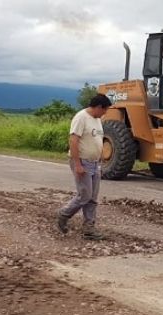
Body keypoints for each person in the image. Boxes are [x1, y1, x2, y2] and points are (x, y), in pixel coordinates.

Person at [56, 93, 112, 240]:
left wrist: (99, 159)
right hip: (83, 162)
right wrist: (77, 164)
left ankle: (89, 228)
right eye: (104, 109)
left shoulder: (97, 120)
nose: (105, 113)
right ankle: (64, 214)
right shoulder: (81, 118)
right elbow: (73, 141)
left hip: (94, 163)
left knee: (93, 197)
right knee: (84, 195)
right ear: (98, 107)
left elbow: (97, 139)